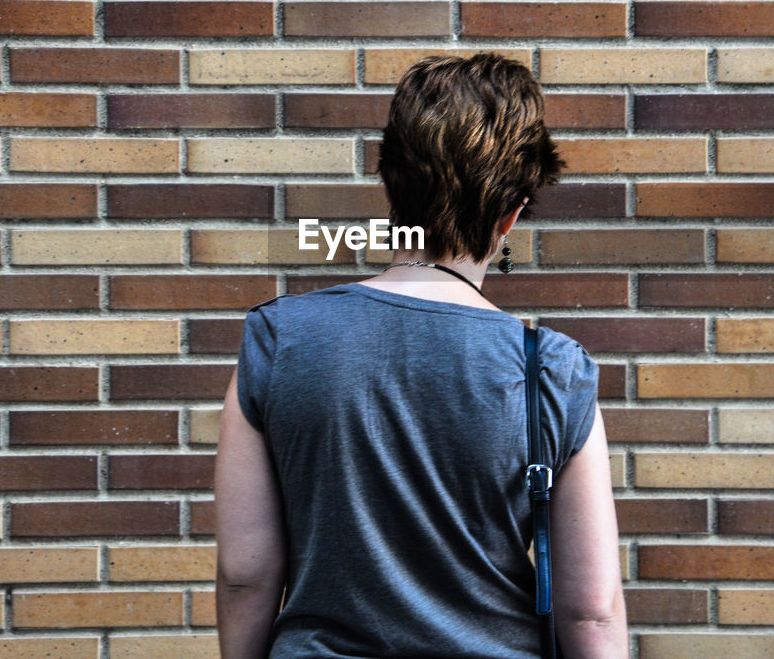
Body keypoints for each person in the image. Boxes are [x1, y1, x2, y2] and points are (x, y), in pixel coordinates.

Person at [214, 53, 628, 659]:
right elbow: (591, 611)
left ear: (390, 187)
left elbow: (245, 573)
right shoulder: (551, 370)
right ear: (511, 215)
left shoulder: (280, 340)